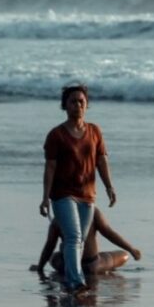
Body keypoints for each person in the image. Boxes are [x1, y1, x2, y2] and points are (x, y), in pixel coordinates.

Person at [38, 84, 118, 294]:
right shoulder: (56, 135)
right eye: (73, 101)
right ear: (65, 105)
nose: (77, 105)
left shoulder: (94, 131)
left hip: (87, 195)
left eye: (81, 101)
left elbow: (101, 161)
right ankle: (75, 283)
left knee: (79, 240)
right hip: (63, 195)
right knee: (73, 237)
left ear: (87, 105)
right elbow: (50, 168)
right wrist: (45, 198)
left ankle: (71, 277)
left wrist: (109, 186)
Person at [29, 207, 142, 276]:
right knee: (124, 255)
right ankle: (106, 268)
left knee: (53, 256)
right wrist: (130, 249)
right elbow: (109, 233)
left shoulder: (59, 217)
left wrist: (40, 268)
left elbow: (50, 246)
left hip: (66, 265)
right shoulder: (92, 211)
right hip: (91, 266)